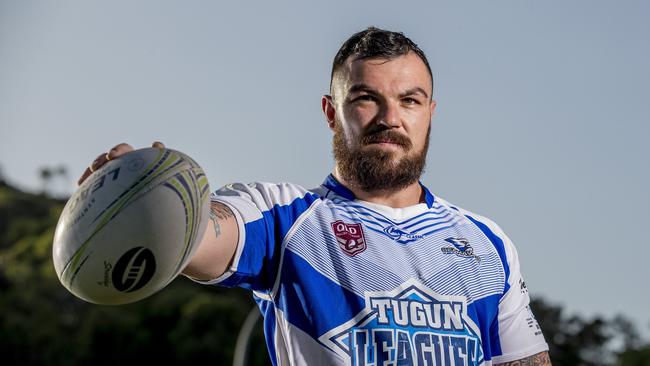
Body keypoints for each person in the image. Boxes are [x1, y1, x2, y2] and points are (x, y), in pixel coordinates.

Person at [80, 27, 551, 366]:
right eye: (366, 98)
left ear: (429, 112)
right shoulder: (284, 215)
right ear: (331, 112)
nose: (391, 117)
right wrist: (153, 203)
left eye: (409, 100)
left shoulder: (487, 242)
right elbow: (206, 234)